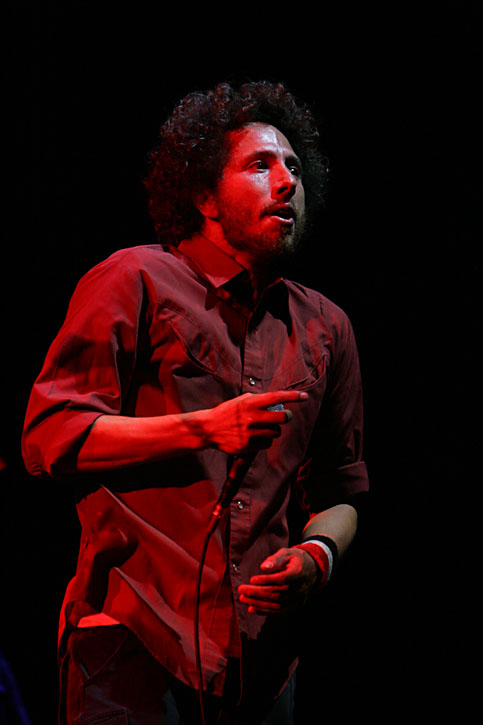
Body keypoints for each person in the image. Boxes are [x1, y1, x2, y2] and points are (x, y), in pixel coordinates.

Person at [22, 81, 369, 724]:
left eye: (295, 168)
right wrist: (203, 428)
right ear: (205, 196)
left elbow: (340, 492)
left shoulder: (327, 326)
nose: (287, 182)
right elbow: (51, 436)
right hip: (133, 636)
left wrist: (317, 557)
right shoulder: (134, 278)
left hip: (262, 664)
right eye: (260, 165)